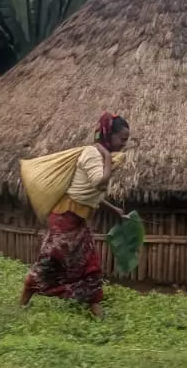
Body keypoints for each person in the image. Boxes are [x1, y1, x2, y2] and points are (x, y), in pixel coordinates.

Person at [19, 112, 130, 318]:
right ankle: (28, 291)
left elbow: (88, 193)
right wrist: (107, 157)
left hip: (76, 218)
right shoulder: (92, 153)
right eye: (122, 139)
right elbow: (100, 182)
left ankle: (96, 309)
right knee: (53, 260)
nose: (124, 144)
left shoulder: (97, 154)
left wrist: (114, 210)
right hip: (65, 217)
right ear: (109, 134)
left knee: (90, 264)